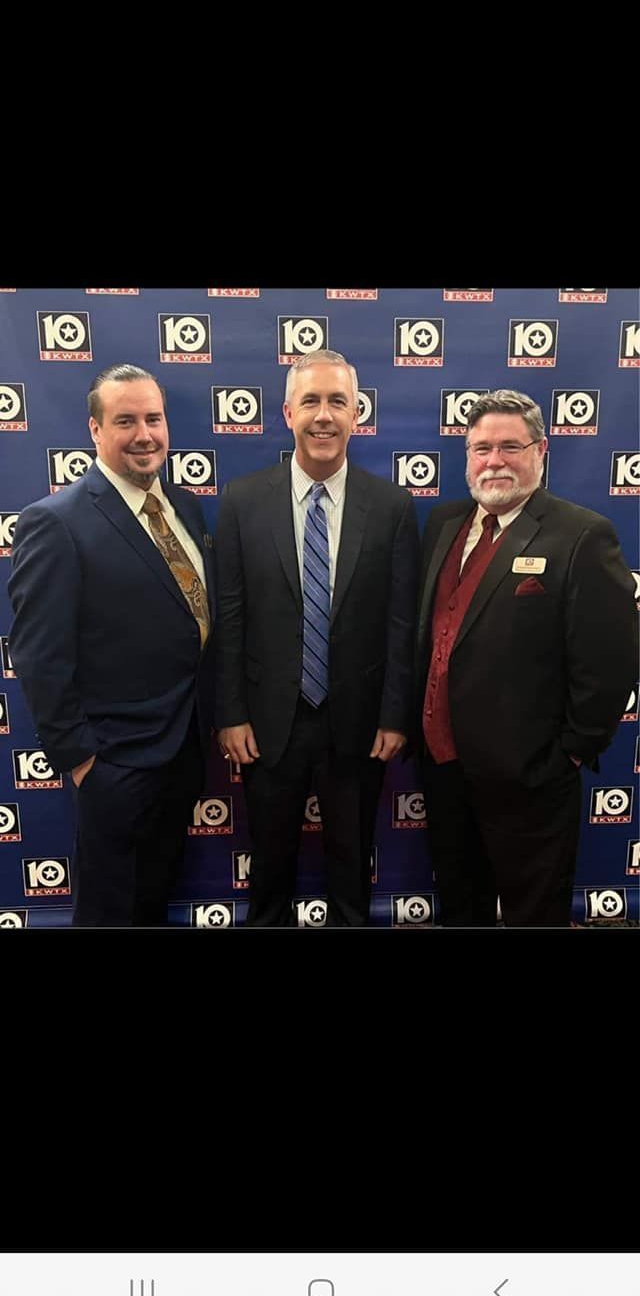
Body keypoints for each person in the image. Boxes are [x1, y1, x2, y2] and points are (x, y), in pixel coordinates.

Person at [414, 388, 638, 927]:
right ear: (466, 456)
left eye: (510, 447)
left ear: (541, 451)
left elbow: (610, 660)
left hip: (532, 779)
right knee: (460, 907)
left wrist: (570, 753)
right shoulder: (444, 525)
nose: (494, 461)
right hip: (444, 771)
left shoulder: (581, 535)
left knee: (534, 914)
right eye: (480, 448)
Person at [214, 348, 419, 926]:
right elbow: (229, 616)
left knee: (351, 870)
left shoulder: (393, 507)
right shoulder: (241, 501)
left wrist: (395, 714)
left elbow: (401, 622)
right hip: (266, 722)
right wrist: (231, 712)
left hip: (358, 724)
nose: (324, 415)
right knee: (270, 873)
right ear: (287, 412)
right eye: (311, 401)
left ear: (357, 413)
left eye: (337, 401)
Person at [8, 364, 215, 926]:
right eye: (126, 420)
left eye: (154, 418)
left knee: (152, 900)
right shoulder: (56, 522)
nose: (144, 433)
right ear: (96, 430)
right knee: (108, 911)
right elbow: (38, 655)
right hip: (114, 764)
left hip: (182, 752)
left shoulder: (183, 507)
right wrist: (83, 761)